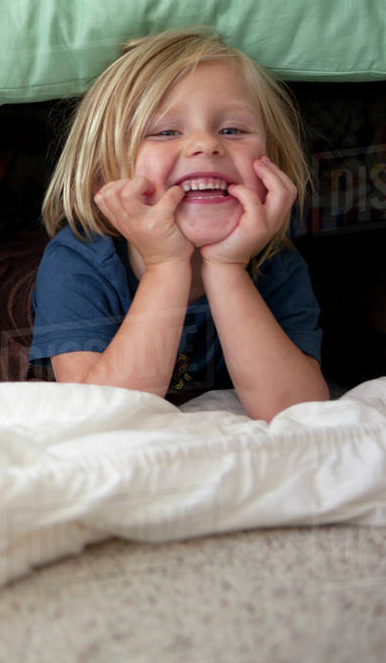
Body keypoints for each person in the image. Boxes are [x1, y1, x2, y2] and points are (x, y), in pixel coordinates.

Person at [29, 28, 328, 420]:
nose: (206, 144)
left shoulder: (277, 264)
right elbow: (103, 415)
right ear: (105, 176)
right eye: (166, 132)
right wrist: (165, 265)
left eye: (232, 130)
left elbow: (298, 411)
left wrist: (227, 267)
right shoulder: (76, 261)